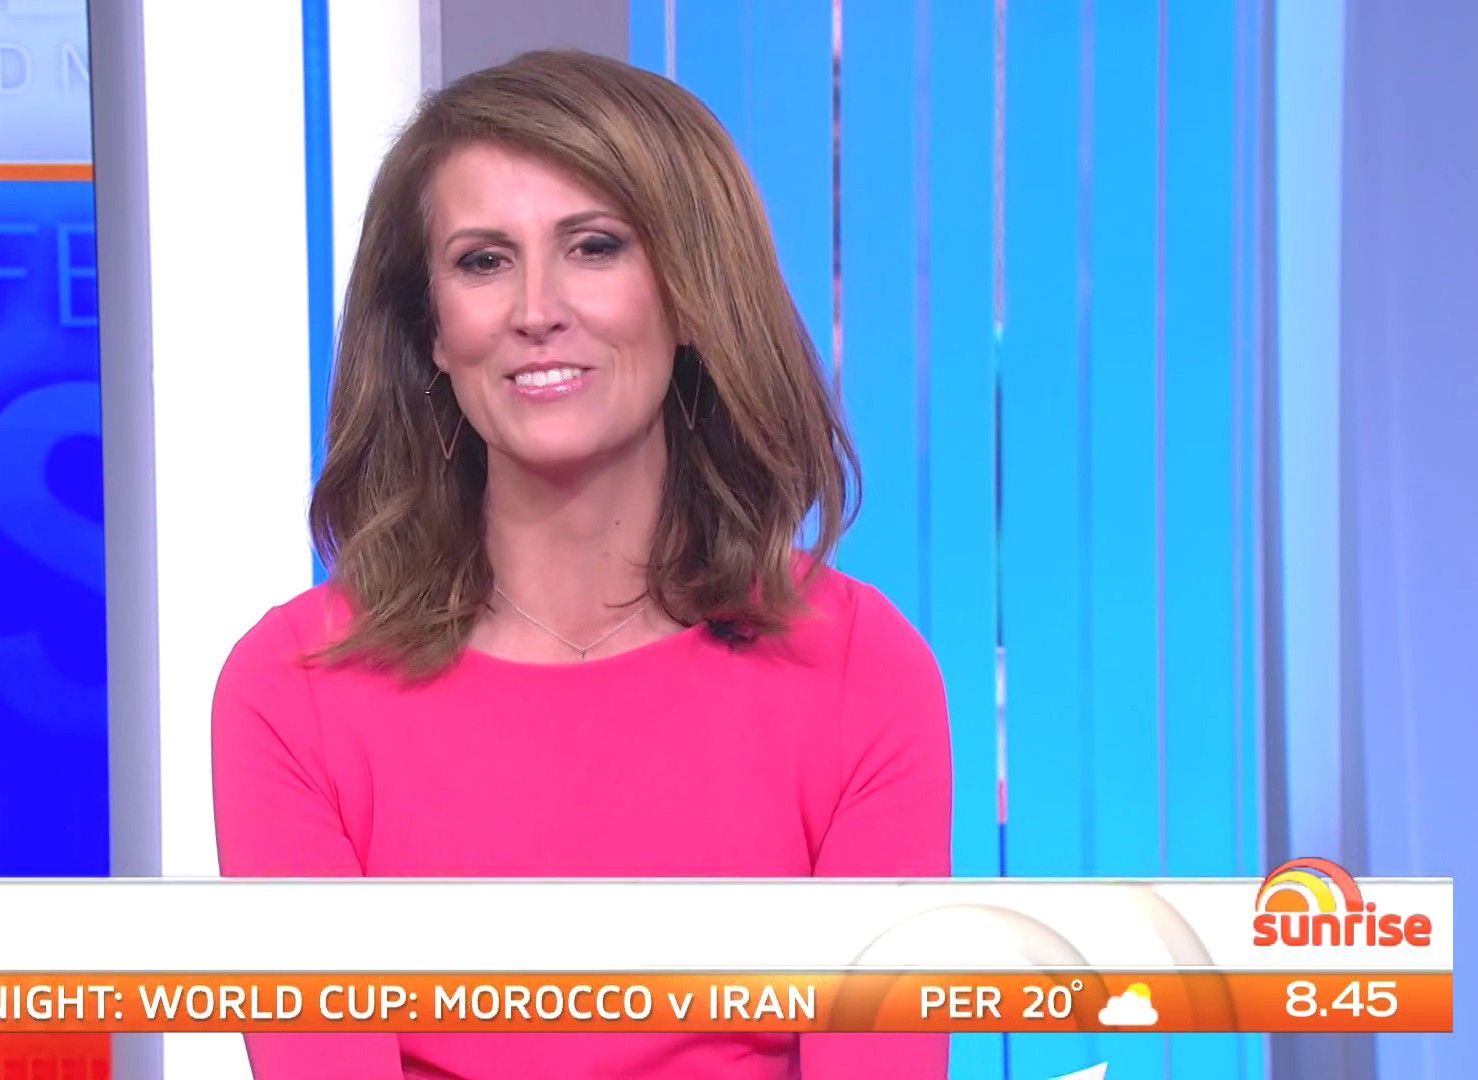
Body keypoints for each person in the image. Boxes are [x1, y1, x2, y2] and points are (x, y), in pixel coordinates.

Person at [212, 48, 951, 1079]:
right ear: (432, 330)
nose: (536, 309)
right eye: (483, 262)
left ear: (690, 295)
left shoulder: (858, 668)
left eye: (594, 247)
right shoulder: (292, 690)